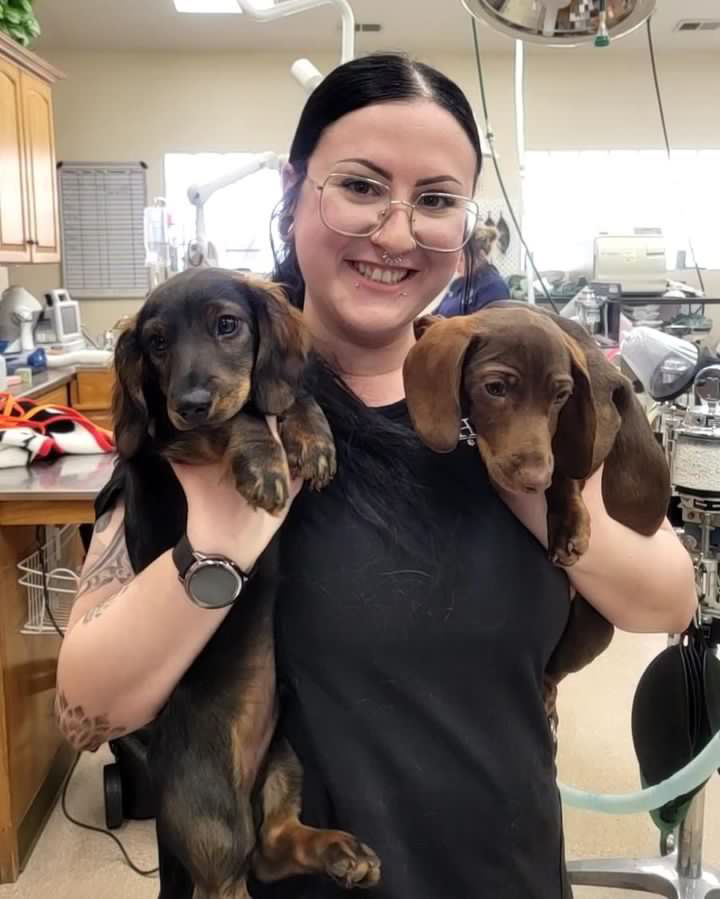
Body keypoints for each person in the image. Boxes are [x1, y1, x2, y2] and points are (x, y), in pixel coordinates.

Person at [55, 53, 696, 899]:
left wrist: (519, 475)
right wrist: (222, 538)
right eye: (359, 186)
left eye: (435, 200)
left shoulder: (504, 391)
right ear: (294, 193)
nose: (395, 233)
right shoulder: (208, 421)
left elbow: (666, 599)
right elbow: (86, 707)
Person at [434, 224, 510, 316]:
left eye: (461, 258)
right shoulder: (458, 284)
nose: (456, 263)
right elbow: (436, 313)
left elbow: (488, 328)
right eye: (454, 257)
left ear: (481, 256)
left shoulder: (494, 287)